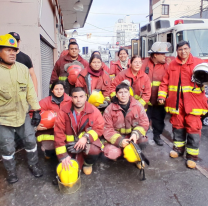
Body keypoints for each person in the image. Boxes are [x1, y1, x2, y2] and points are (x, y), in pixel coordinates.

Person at [0, 34, 43, 184]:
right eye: (8, 50)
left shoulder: (23, 69)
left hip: (22, 114)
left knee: (31, 142)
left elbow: (30, 91)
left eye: (14, 50)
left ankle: (34, 165)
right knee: (7, 147)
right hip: (3, 118)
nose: (12, 53)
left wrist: (36, 110)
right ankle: (11, 172)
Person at [158, 40, 208, 169]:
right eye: (180, 49)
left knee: (193, 128)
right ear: (177, 51)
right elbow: (165, 82)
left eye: (185, 49)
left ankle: (192, 156)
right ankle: (178, 149)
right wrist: (161, 96)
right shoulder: (172, 65)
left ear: (190, 49)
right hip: (176, 103)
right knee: (177, 126)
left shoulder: (199, 63)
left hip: (194, 102)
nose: (183, 52)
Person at [54, 87, 104, 175]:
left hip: (85, 142)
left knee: (94, 150)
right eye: (75, 97)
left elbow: (99, 129)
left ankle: (87, 164)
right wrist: (63, 156)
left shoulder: (94, 111)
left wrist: (86, 138)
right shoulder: (63, 111)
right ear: (71, 98)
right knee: (66, 169)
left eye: (81, 96)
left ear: (86, 97)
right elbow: (58, 133)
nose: (78, 100)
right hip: (68, 144)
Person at [103, 81, 149, 164]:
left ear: (129, 93)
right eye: (120, 92)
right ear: (116, 95)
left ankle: (136, 157)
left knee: (143, 140)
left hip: (132, 137)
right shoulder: (109, 109)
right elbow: (107, 129)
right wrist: (120, 141)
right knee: (111, 152)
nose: (123, 95)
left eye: (125, 92)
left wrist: (135, 134)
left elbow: (144, 123)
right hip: (118, 138)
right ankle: (121, 155)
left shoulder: (138, 106)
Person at [141, 42, 171, 146]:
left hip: (159, 101)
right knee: (143, 120)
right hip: (144, 101)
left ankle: (157, 136)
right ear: (155, 55)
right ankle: (141, 138)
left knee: (159, 120)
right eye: (162, 54)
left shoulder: (167, 66)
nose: (165, 56)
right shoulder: (143, 64)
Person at [36, 81, 71, 159]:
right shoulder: (45, 102)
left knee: (67, 147)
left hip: (65, 130)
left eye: (61, 89)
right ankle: (48, 151)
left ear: (64, 90)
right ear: (52, 90)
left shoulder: (70, 101)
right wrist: (36, 125)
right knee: (50, 152)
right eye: (56, 89)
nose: (59, 91)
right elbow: (33, 113)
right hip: (49, 131)